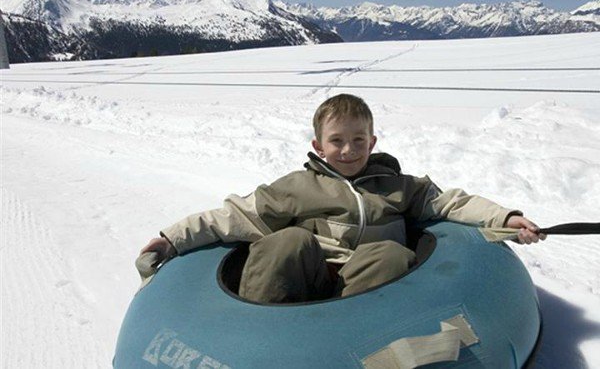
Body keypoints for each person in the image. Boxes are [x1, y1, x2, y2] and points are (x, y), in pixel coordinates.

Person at [140, 94, 545, 303]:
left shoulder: (399, 185)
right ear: (318, 145)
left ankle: (340, 336)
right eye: (337, 141)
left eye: (357, 140)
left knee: (391, 252)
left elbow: (453, 203)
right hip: (309, 275)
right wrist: (173, 238)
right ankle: (253, 337)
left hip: (363, 288)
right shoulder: (298, 186)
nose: (348, 151)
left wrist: (505, 219)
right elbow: (233, 216)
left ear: (373, 141)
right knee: (286, 240)